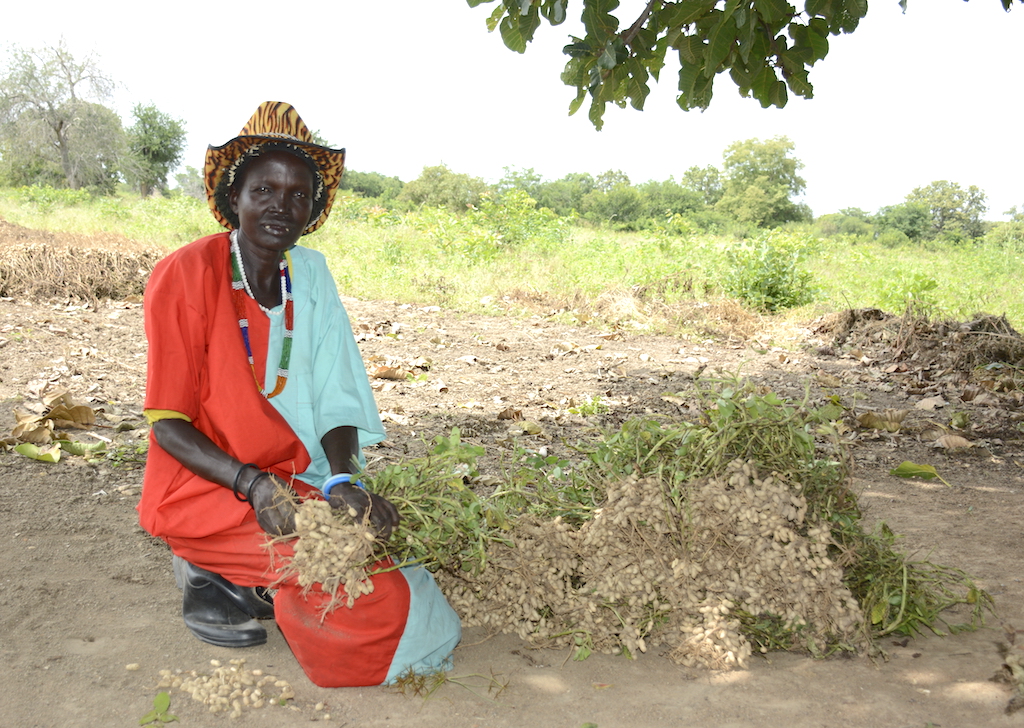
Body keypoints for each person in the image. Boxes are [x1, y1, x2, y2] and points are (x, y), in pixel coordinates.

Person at [138, 101, 460, 687]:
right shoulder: (184, 274)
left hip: (292, 482)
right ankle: (207, 568)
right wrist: (253, 485)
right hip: (207, 486)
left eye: (297, 195)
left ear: (313, 209)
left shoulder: (309, 275)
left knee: (373, 550)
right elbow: (167, 423)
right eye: (264, 189)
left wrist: (342, 480)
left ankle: (247, 579)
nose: (279, 207)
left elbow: (338, 395)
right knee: (370, 596)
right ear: (233, 197)